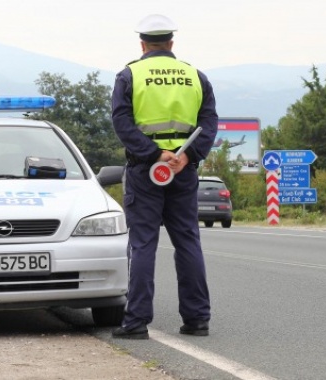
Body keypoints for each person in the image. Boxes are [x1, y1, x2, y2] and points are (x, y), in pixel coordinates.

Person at [111, 14, 218, 339]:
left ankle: (137, 322)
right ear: (171, 42)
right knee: (187, 241)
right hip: (183, 172)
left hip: (146, 172)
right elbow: (209, 121)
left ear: (142, 43)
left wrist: (155, 154)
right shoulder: (194, 75)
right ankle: (197, 320)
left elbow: (122, 123)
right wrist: (187, 155)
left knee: (143, 244)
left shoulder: (130, 75)